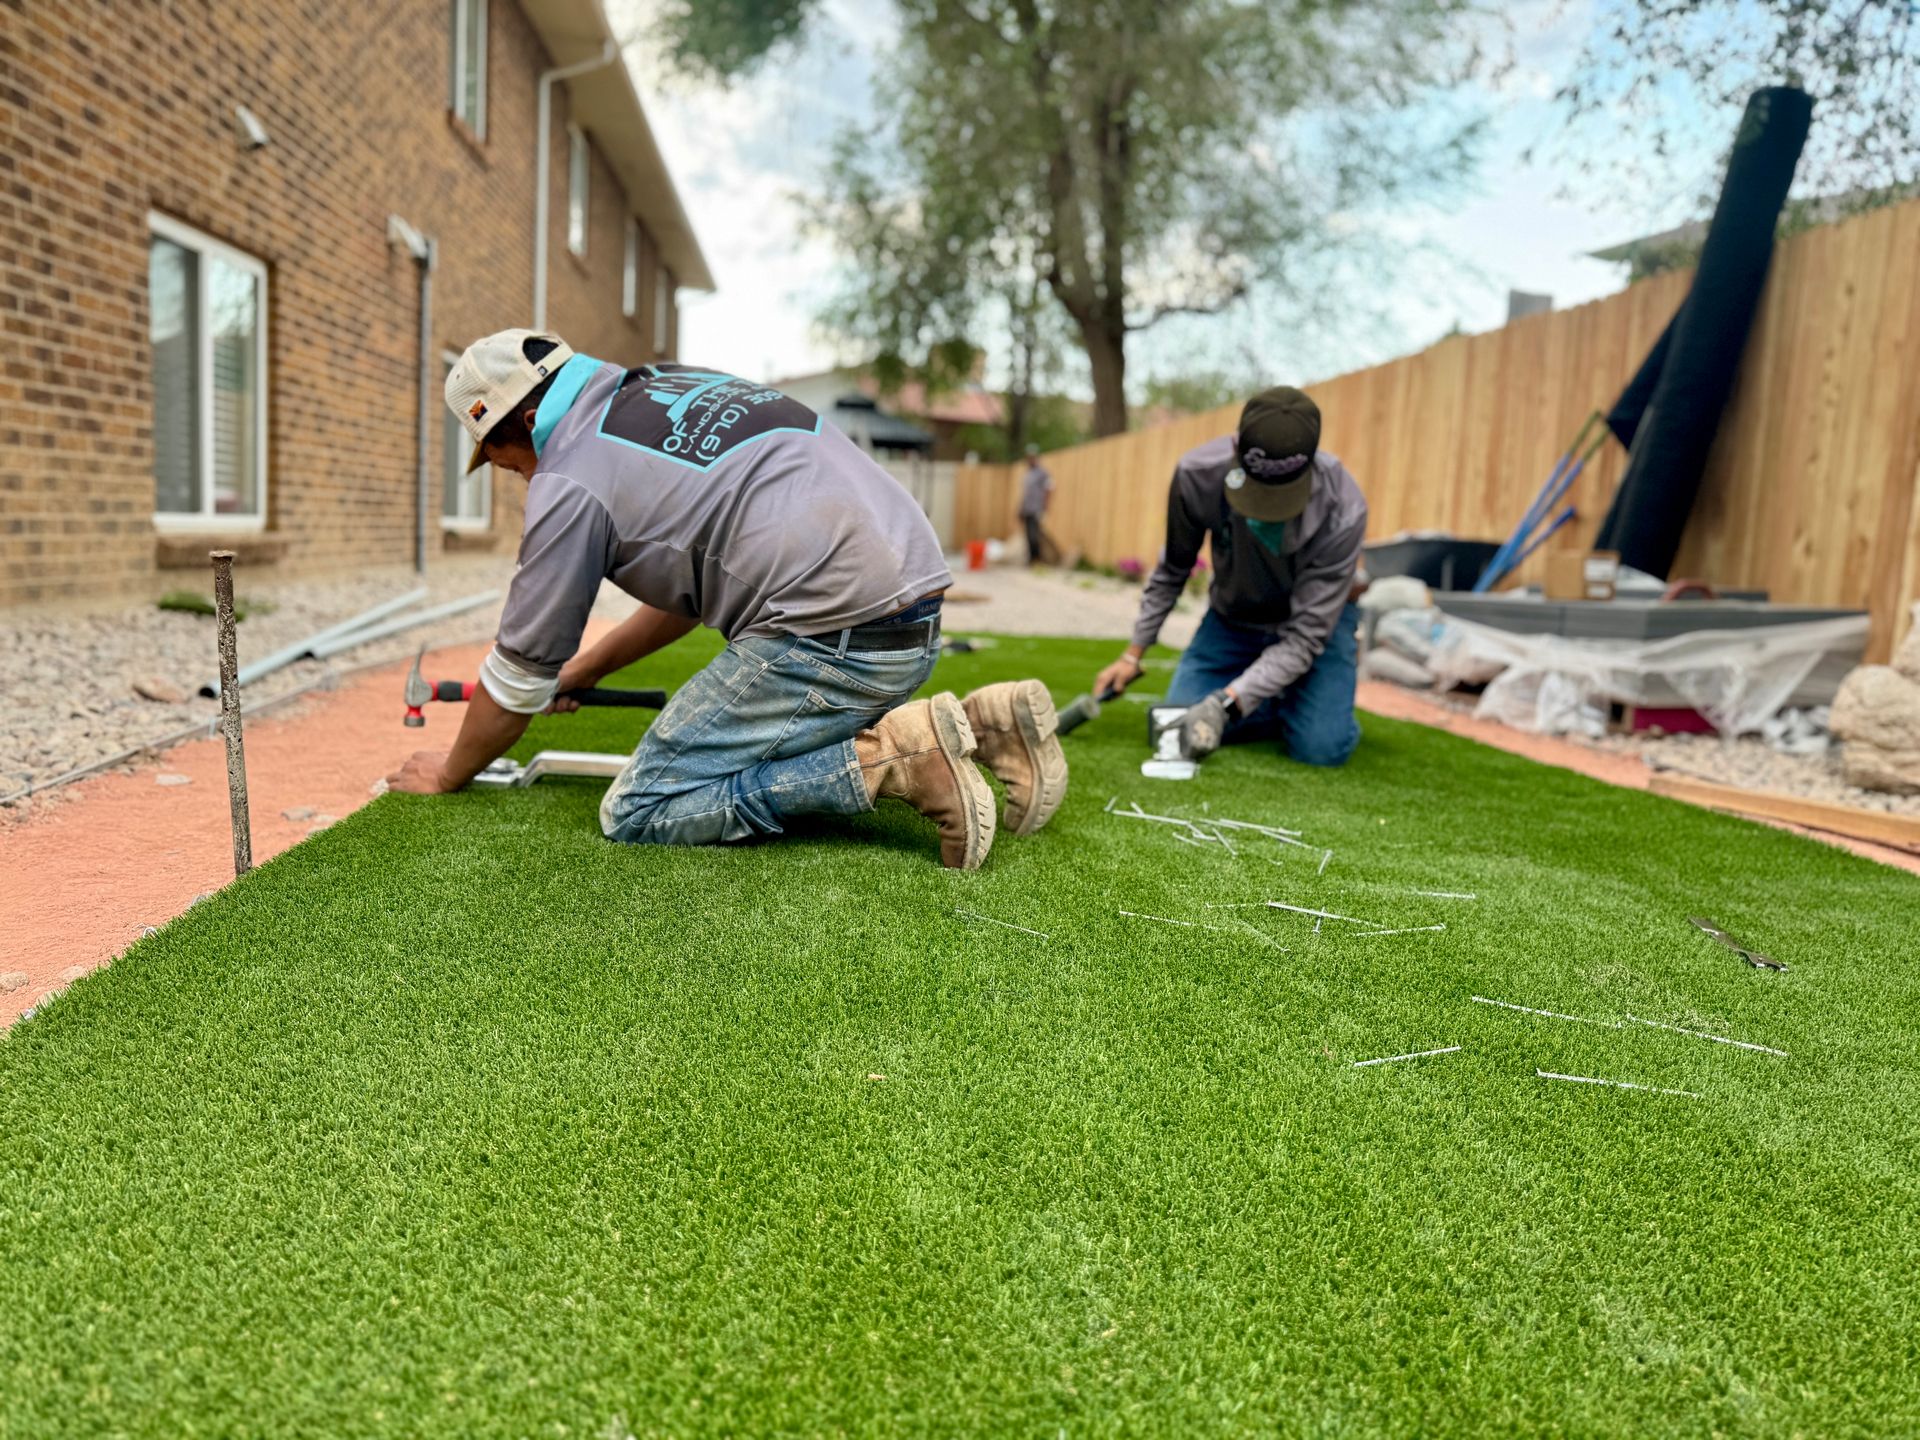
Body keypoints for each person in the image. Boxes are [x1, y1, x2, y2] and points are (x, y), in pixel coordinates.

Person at [386, 329, 1068, 869]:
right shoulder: (665, 386)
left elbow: (516, 676)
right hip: (910, 622)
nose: (504, 469)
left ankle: (897, 764)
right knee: (741, 750)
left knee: (641, 807)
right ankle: (989, 725)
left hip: (835, 641)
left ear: (526, 418)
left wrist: (451, 773)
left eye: (498, 450)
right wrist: (587, 671)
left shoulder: (567, 477)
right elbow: (688, 592)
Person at [1093, 386, 1367, 768]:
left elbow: (1306, 636)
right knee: (1172, 724)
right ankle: (1279, 700)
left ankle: (1306, 707)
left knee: (1321, 747)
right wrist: (1132, 652)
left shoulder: (1344, 508)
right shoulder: (1197, 475)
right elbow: (1174, 569)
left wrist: (1226, 703)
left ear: (1310, 466)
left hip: (1314, 626)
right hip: (1234, 620)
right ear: (1236, 451)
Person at [1017, 444, 1059, 566]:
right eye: (1029, 457)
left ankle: (1037, 559)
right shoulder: (1027, 474)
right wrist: (1020, 509)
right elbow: (1025, 494)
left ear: (1037, 458)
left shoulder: (1043, 473)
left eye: (1033, 457)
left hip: (1036, 508)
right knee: (1028, 535)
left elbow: (1050, 488)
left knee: (1035, 535)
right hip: (1026, 509)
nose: (1030, 460)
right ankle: (1031, 559)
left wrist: (1045, 506)